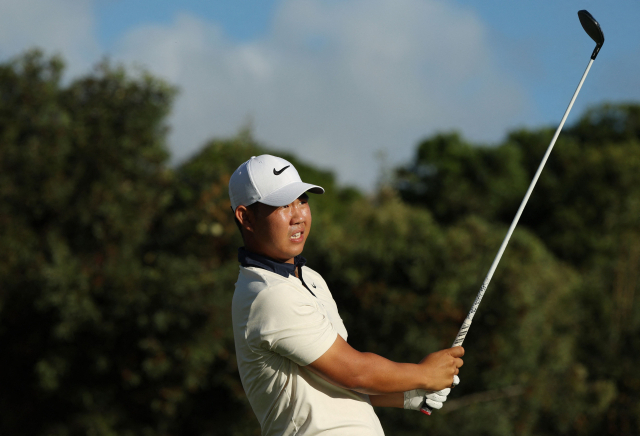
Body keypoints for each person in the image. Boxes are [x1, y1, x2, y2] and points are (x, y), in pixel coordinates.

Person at [230, 154, 464, 435]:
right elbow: (355, 372)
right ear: (246, 218)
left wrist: (408, 393)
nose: (298, 216)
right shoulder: (269, 294)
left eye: (302, 201)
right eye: (282, 205)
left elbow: (337, 379)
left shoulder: (309, 278)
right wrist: (423, 374)